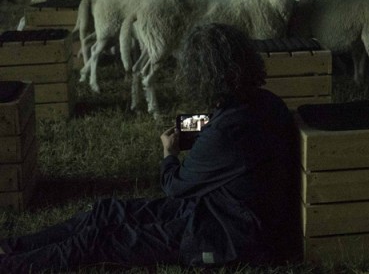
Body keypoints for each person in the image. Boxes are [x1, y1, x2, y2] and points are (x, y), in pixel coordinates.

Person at [0, 24, 298, 271]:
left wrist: (169, 152)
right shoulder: (265, 101)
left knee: (98, 240)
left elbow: (174, 186)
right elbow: (228, 132)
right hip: (219, 208)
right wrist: (202, 128)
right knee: (105, 211)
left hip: (226, 236)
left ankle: (11, 265)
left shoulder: (225, 133)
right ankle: (9, 248)